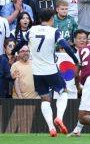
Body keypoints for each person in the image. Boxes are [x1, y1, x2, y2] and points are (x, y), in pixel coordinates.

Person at [12, 8, 80, 137]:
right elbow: (65, 46)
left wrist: (12, 52)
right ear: (51, 19)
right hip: (51, 70)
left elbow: (21, 43)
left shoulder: (31, 30)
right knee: (63, 92)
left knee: (45, 99)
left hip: (36, 71)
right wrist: (75, 59)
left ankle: (51, 128)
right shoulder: (54, 31)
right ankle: (59, 117)